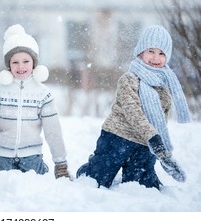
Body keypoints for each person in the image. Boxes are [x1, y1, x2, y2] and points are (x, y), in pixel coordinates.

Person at [76, 25, 191, 189]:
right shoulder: (129, 80)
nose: (155, 58)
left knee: (142, 186)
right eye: (151, 51)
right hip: (117, 138)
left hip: (144, 145)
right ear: (140, 52)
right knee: (97, 180)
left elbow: (161, 122)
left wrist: (163, 154)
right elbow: (133, 112)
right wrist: (153, 137)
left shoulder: (165, 87)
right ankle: (90, 168)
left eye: (162, 53)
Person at [0, 24, 70, 179]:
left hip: (31, 157)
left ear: (34, 63)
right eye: (15, 62)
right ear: (8, 65)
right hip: (0, 157)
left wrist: (60, 163)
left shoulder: (43, 94)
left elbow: (53, 130)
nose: (20, 66)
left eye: (26, 61)